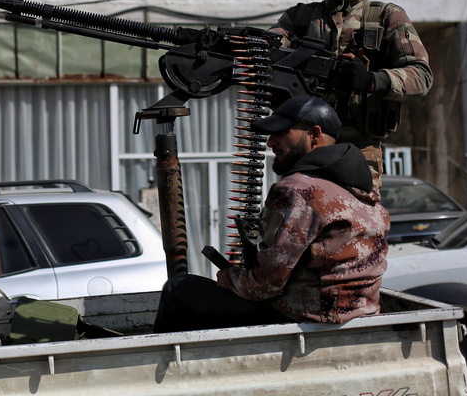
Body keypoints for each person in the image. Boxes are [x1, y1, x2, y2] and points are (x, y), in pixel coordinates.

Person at [154, 96, 389, 332]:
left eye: (281, 132)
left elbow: (265, 285)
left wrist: (227, 277)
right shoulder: (364, 191)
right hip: (358, 315)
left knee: (179, 289)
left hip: (301, 317)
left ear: (315, 134)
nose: (270, 142)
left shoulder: (297, 190)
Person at [270, 0, 433, 193]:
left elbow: (421, 76)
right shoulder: (300, 17)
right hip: (307, 144)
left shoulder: (385, 16)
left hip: (358, 147)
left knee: (354, 222)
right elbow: (269, 44)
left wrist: (372, 80)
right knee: (299, 216)